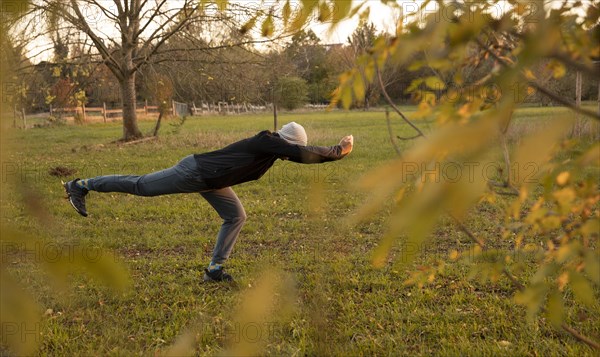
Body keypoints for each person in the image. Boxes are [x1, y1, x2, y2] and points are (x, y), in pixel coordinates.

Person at [63, 122, 354, 282]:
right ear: (286, 142)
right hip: (194, 172)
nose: (290, 152)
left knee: (236, 216)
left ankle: (214, 270)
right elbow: (305, 154)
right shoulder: (268, 141)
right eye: (292, 147)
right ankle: (79, 185)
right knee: (141, 186)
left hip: (210, 180)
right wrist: (339, 150)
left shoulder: (272, 150)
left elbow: (299, 154)